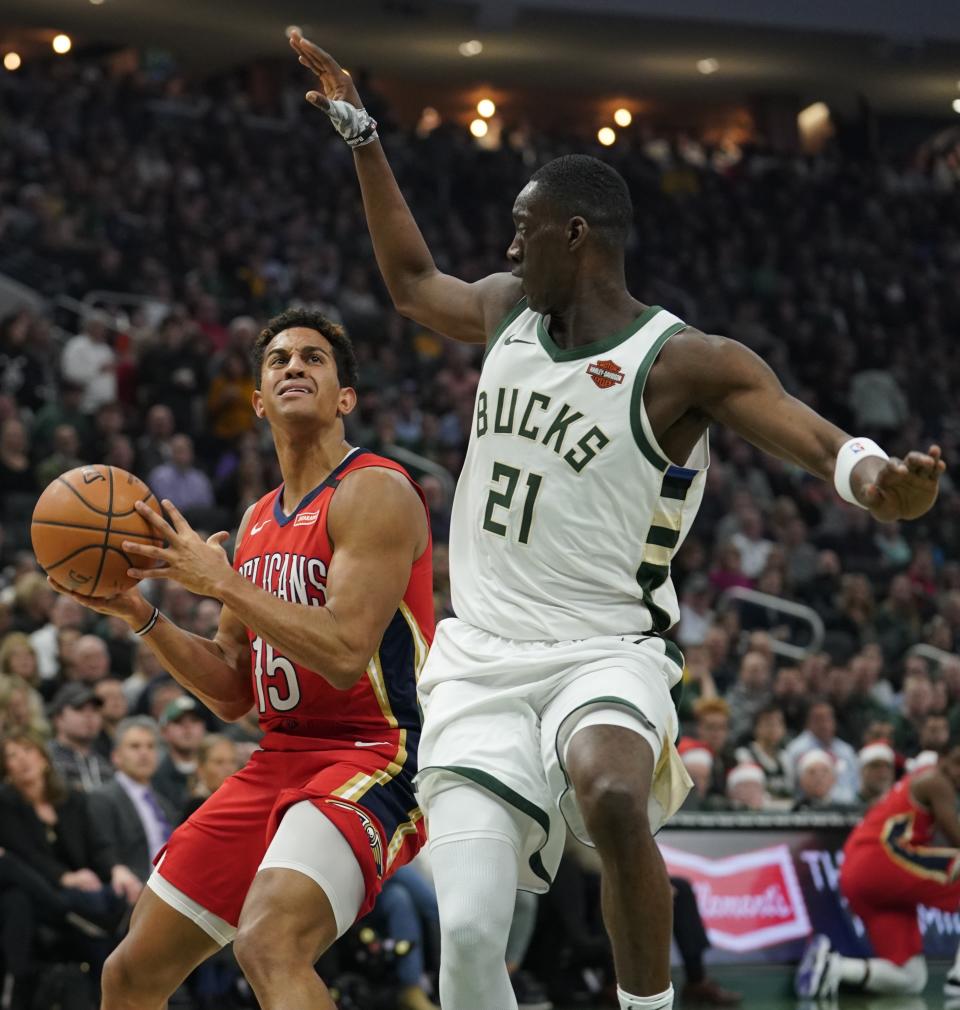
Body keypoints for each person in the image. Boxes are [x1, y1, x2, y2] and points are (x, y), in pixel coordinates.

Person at [290, 31, 946, 1010]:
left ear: (577, 236)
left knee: (608, 787)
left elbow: (807, 436)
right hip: (476, 657)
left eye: (522, 228)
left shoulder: (683, 359)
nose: (507, 246)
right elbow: (414, 284)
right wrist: (361, 135)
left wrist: (875, 476)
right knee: (469, 933)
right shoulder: (511, 308)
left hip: (606, 647)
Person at [49, 307, 434, 1010]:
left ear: (345, 398)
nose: (294, 366)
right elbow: (233, 692)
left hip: (373, 756)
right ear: (257, 400)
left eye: (314, 359)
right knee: (128, 974)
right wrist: (143, 614)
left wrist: (219, 579)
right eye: (278, 359)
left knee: (269, 943)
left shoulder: (375, 490)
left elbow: (347, 654)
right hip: (276, 757)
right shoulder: (257, 521)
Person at [796, 741, 960, 999]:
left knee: (910, 978)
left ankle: (833, 967)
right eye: (957, 762)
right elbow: (956, 838)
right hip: (881, 863)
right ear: (942, 759)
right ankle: (958, 979)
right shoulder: (935, 780)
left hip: (859, 875)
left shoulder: (914, 782)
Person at [89, 717, 178, 885]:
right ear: (116, 756)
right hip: (131, 889)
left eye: (151, 746)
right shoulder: (102, 797)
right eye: (135, 746)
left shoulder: (164, 804)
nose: (144, 753)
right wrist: (116, 868)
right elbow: (102, 848)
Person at [48, 683, 114, 793]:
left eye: (95, 710)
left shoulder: (105, 764)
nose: (89, 716)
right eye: (79, 709)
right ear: (58, 718)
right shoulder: (47, 760)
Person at [151, 695, 207, 813]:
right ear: (164, 732)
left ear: (204, 728)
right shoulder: (155, 776)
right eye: (178, 722)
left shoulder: (216, 769)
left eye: (194, 720)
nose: (188, 727)